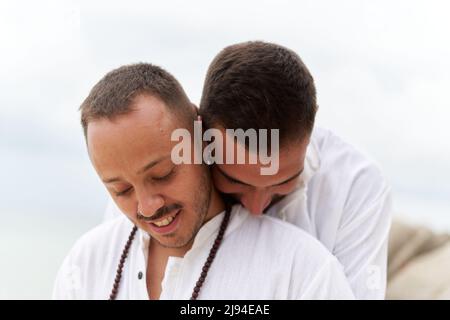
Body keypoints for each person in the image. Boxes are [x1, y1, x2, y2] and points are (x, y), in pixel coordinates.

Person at [105, 41, 393, 299]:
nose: (256, 207)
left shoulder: (357, 184)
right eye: (234, 181)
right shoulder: (157, 185)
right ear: (200, 133)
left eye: (283, 183)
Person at [53, 63, 354, 300]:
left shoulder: (301, 270)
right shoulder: (86, 263)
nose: (147, 207)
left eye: (163, 175)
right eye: (121, 190)